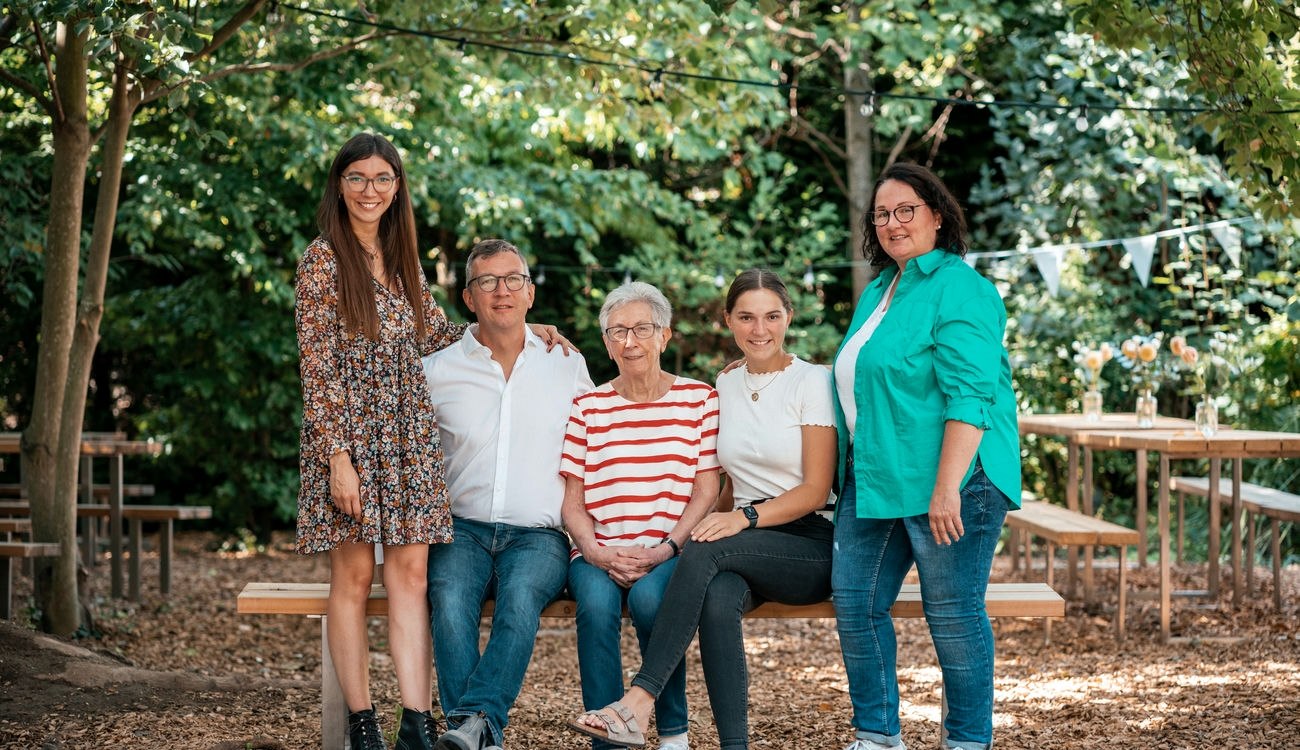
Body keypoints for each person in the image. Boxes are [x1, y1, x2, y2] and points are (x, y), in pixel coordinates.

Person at [294, 133, 569, 750]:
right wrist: (338, 456)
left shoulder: (402, 258)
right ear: (339, 186)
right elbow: (316, 364)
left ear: (398, 188)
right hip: (350, 435)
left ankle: (417, 724)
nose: (371, 190)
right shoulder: (322, 260)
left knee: (412, 575)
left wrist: (516, 322)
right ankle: (363, 725)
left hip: (409, 433)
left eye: (383, 179)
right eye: (358, 178)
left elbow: (439, 335)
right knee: (355, 576)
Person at [567, 269, 837, 749]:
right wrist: (732, 516)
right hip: (748, 544)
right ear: (729, 322)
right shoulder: (725, 385)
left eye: (772, 316)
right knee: (716, 600)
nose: (760, 329)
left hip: (807, 540)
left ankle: (637, 703)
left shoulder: (813, 381)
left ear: (789, 318)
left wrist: (739, 519)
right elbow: (723, 479)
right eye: (747, 317)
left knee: (703, 549)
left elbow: (816, 490)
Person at [830, 162, 1021, 750]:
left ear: (937, 216)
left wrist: (948, 486)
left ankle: (967, 741)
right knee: (855, 602)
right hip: (878, 476)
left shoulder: (961, 288)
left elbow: (972, 394)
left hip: (953, 477)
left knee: (952, 612)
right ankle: (877, 736)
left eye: (906, 210)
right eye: (882, 214)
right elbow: (856, 381)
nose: (892, 222)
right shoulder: (878, 292)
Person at [422, 239, 594, 750]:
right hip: (460, 529)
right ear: (468, 298)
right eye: (487, 282)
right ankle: (480, 732)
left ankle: (469, 728)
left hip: (539, 535)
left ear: (530, 292)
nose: (502, 291)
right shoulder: (438, 370)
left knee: (520, 602)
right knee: (450, 601)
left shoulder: (566, 365)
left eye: (513, 279)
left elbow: (596, 449)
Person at [561, 281, 721, 750]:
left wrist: (666, 549)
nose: (629, 341)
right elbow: (572, 501)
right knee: (594, 607)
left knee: (653, 603)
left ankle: (673, 733)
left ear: (665, 335)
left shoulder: (699, 399)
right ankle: (607, 739)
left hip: (670, 548)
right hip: (598, 550)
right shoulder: (588, 406)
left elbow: (707, 489)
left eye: (641, 329)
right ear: (607, 343)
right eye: (617, 332)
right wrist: (594, 551)